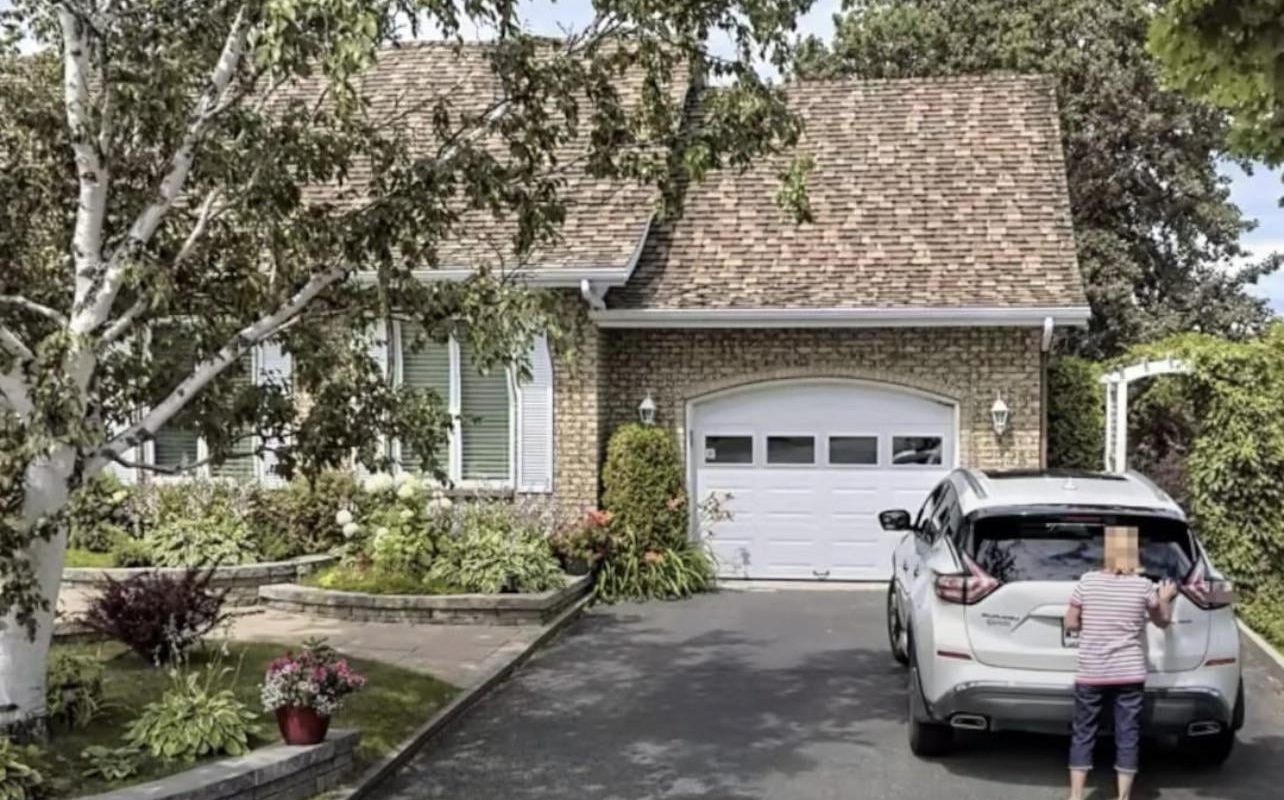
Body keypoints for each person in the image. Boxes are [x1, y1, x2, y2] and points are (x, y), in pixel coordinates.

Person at [1063, 526, 1178, 800]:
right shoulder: (1143, 586)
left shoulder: (1087, 582)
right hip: (1129, 673)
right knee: (1127, 734)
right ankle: (1123, 797)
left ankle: (1076, 796)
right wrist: (1164, 599)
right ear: (1132, 555)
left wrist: (1089, 625)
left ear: (1107, 554)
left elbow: (1069, 621)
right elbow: (1162, 621)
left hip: (1092, 672)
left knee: (1083, 733)